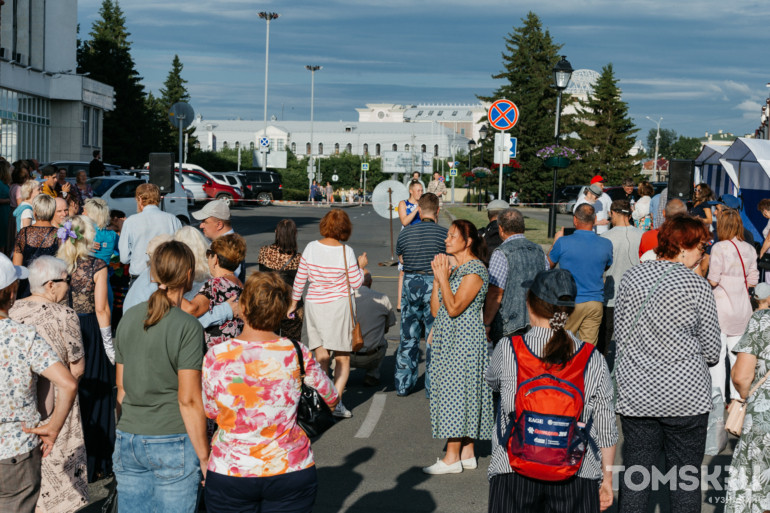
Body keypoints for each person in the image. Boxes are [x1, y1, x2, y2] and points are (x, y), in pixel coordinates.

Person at [202, 272, 338, 512]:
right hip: (289, 468)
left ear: (243, 307)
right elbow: (331, 399)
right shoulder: (297, 352)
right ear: (281, 311)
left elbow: (211, 410)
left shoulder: (217, 356)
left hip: (231, 469)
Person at [485, 269, 617, 512]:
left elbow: (492, 382)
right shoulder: (592, 358)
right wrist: (607, 479)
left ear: (530, 303)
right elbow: (606, 428)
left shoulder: (508, 349)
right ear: (569, 311)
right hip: (576, 471)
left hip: (513, 468)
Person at [614, 216, 720, 512]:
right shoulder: (697, 286)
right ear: (683, 246)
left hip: (638, 393)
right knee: (685, 480)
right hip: (686, 397)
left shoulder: (632, 278)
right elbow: (712, 351)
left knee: (636, 475)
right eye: (701, 245)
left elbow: (620, 336)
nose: (703, 252)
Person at [113, 241, 209, 513]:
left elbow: (121, 388)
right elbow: (189, 399)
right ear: (188, 273)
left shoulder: (130, 317)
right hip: (172, 437)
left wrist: (122, 432)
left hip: (128, 436)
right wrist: (204, 457)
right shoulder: (187, 326)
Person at [9, 256, 88, 513]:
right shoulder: (65, 315)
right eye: (67, 281)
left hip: (19, 405)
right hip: (59, 405)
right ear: (51, 285)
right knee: (60, 476)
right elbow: (77, 368)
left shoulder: (12, 311)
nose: (70, 287)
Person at [423, 220, 493, 474]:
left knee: (456, 394)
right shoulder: (457, 269)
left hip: (463, 341)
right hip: (448, 339)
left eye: (453, 236)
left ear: (468, 240)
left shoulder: (475, 270)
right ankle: (467, 452)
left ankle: (451, 458)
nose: (447, 240)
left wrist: (443, 277)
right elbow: (435, 309)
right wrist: (438, 279)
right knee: (460, 392)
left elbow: (454, 309)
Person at [289, 209, 366, 418]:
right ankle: (335, 404)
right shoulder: (346, 251)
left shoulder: (311, 247)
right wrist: (361, 267)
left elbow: (300, 279)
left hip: (315, 305)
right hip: (339, 307)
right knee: (342, 358)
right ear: (345, 228)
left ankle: (318, 401)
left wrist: (294, 303)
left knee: (321, 355)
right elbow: (357, 282)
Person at [57, 215, 114, 481]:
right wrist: (109, 345)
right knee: (96, 392)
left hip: (63, 329)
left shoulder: (58, 264)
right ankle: (95, 462)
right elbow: (101, 309)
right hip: (89, 329)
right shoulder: (97, 265)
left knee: (69, 395)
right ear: (88, 237)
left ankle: (69, 462)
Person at [394, 193, 447, 397]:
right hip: (434, 284)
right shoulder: (444, 234)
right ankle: (433, 387)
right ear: (437, 210)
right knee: (434, 336)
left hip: (410, 283)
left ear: (419, 208)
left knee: (409, 335)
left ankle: (403, 384)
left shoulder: (406, 233)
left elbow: (401, 257)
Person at [725, 283, 770, 512]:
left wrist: (746, 396)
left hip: (764, 419)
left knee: (758, 493)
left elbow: (742, 376)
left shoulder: (762, 320)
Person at [707, 208, 759, 403]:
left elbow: (713, 280)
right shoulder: (750, 249)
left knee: (718, 359)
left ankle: (719, 399)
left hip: (721, 308)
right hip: (742, 307)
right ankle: (738, 399)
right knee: (737, 356)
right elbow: (753, 280)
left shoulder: (719, 248)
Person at [548, 204, 613, 345]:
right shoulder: (606, 244)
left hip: (569, 301)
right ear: (595, 219)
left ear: (575, 220)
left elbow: (548, 265)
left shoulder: (563, 242)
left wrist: (555, 242)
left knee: (561, 345)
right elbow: (606, 265)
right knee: (588, 349)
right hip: (594, 301)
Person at [483, 208, 548, 343]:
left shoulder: (501, 253)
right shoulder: (538, 250)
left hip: (509, 323)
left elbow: (496, 292)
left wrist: (487, 322)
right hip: (535, 319)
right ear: (522, 227)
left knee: (508, 361)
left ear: (500, 229)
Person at [182, 233, 246, 350]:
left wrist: (170, 291)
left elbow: (191, 310)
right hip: (235, 351)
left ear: (215, 258)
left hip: (215, 355)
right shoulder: (240, 285)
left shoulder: (215, 285)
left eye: (208, 254)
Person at [598, 200, 642, 359]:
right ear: (629, 215)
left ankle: (600, 375)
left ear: (613, 213)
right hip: (635, 297)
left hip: (610, 295)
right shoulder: (640, 235)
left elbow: (600, 267)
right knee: (632, 343)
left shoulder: (604, 237)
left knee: (603, 340)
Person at [119, 183, 182, 279]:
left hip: (139, 275)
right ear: (158, 199)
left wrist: (138, 256)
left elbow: (124, 258)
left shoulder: (131, 221)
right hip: (166, 275)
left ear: (139, 199)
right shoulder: (172, 220)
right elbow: (180, 250)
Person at [257, 219, 303, 340]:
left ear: (276, 232)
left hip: (270, 303)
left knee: (269, 342)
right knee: (292, 343)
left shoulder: (264, 252)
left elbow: (261, 277)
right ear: (294, 234)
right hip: (292, 305)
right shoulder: (299, 258)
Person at [349, 270, 396, 387]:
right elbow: (389, 325)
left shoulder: (347, 299)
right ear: (371, 282)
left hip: (347, 355)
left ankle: (338, 374)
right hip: (371, 356)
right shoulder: (383, 298)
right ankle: (372, 374)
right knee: (384, 343)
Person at [14, 194, 60, 298]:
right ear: (52, 213)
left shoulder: (23, 233)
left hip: (26, 285)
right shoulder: (59, 234)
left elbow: (17, 266)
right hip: (48, 286)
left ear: (35, 213)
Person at [192, 199, 244, 281]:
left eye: (205, 222)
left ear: (219, 225)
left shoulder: (228, 248)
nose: (201, 226)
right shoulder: (228, 244)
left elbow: (226, 285)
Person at [396, 180, 424, 310]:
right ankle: (399, 302)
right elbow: (405, 221)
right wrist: (416, 209)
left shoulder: (424, 204)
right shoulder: (403, 203)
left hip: (420, 238)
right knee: (403, 272)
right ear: (411, 191)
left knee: (420, 270)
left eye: (421, 190)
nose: (420, 193)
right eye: (418, 190)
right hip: (407, 238)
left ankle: (419, 299)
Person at [83, 198, 119, 265]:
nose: (82, 213)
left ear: (91, 215)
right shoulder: (112, 234)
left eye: (84, 212)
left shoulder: (85, 231)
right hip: (105, 271)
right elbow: (119, 251)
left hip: (88, 271)